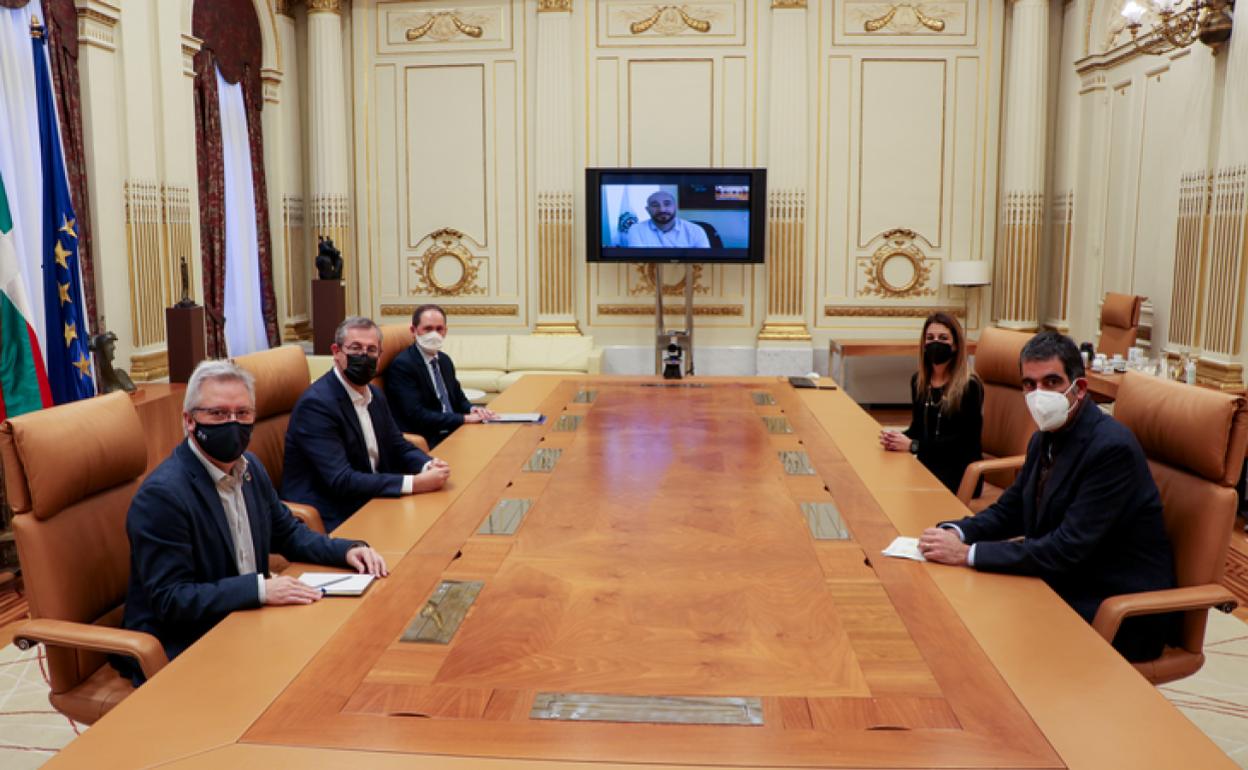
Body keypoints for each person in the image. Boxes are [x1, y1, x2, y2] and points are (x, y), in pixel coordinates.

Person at [118, 360, 388, 684]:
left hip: (247, 621)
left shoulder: (249, 468)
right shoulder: (163, 495)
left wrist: (346, 551)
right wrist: (261, 589)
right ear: (189, 421)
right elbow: (172, 600)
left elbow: (288, 534)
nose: (233, 423)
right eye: (218, 414)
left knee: (345, 654)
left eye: (243, 414)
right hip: (188, 643)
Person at [918, 331, 1178, 662]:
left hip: (1116, 609)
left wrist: (969, 554)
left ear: (1079, 389)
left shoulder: (1111, 449)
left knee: (986, 631)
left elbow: (1066, 549)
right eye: (1029, 384)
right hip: (1067, 584)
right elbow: (1011, 509)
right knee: (962, 607)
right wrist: (955, 532)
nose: (1039, 394)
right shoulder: (1045, 436)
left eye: (1051, 382)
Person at [282, 316, 451, 532]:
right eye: (355, 348)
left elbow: (396, 444)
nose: (364, 356)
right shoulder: (317, 404)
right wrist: (414, 484)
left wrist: (428, 465)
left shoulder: (375, 395)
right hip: (329, 512)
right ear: (336, 351)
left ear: (380, 356)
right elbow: (340, 480)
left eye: (372, 350)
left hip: (369, 498)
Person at [879, 312, 983, 493]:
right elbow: (918, 429)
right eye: (930, 338)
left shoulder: (970, 386)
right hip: (929, 466)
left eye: (943, 338)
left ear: (956, 345)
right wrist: (895, 439)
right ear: (924, 345)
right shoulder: (919, 381)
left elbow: (964, 443)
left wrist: (913, 446)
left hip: (961, 473)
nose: (936, 342)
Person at [384, 303, 496, 447]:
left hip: (452, 429)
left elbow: (458, 398)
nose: (434, 334)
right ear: (414, 330)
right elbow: (417, 415)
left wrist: (472, 409)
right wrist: (464, 418)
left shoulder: (444, 360)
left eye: (439, 329)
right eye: (428, 329)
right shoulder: (403, 365)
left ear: (445, 331)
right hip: (428, 436)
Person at [622, 190, 711, 248]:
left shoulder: (696, 230)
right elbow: (639, 262)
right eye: (655, 205)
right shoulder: (636, 230)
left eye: (667, 204)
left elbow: (703, 263)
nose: (662, 209)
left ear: (675, 207)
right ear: (648, 210)